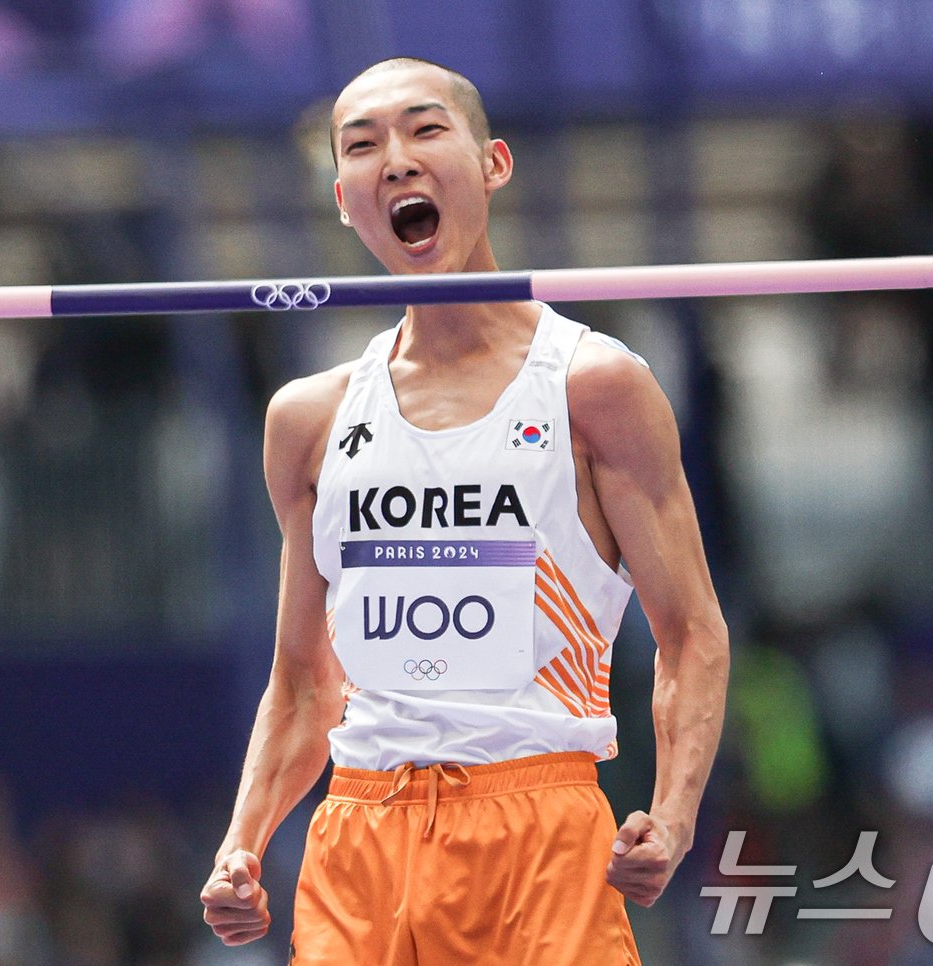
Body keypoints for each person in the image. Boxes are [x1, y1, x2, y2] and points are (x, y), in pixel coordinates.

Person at [200, 57, 730, 965]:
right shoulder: (308, 421)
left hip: (536, 830)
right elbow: (301, 684)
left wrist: (674, 815)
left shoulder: (593, 388)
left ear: (494, 164)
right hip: (358, 840)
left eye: (425, 129)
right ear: (342, 199)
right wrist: (242, 842)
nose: (396, 160)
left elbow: (690, 633)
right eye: (364, 147)